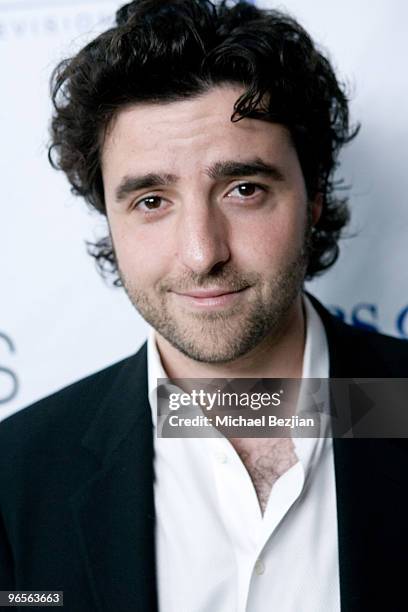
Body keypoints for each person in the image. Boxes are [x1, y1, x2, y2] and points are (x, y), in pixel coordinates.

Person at [1, 1, 407, 610]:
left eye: (244, 189)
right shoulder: (17, 478)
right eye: (151, 201)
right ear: (109, 221)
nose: (201, 253)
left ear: (314, 198)